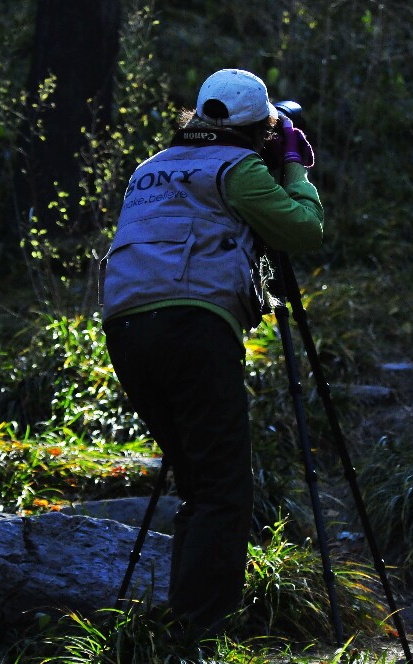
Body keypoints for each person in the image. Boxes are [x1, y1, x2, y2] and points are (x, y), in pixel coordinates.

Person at [100, 68, 323, 643]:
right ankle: (203, 633)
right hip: (193, 327)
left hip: (125, 330)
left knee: (197, 482)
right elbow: (302, 229)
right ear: (259, 130)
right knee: (222, 486)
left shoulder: (147, 170)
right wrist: (295, 164)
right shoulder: (239, 168)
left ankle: (185, 626)